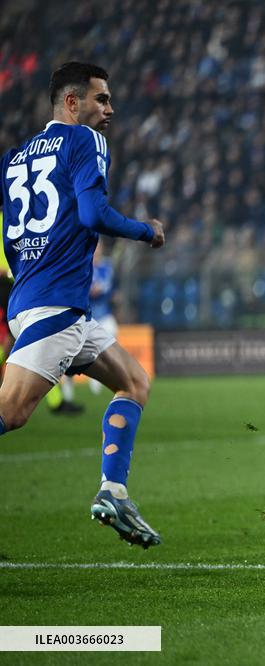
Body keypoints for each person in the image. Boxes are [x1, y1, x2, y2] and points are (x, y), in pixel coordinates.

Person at [0, 62, 166, 547]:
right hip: (57, 307)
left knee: (134, 382)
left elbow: (11, 244)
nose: (110, 109)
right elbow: (93, 213)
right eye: (102, 99)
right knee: (9, 413)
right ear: (72, 103)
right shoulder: (85, 141)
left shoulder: (13, 159)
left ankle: (113, 490)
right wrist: (146, 231)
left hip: (37, 300)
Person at [88, 238, 116, 394]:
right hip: (87, 315)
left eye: (99, 246)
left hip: (104, 314)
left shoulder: (106, 266)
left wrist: (101, 289)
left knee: (112, 331)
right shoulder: (84, 264)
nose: (97, 250)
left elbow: (108, 285)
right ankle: (67, 390)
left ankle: (104, 374)